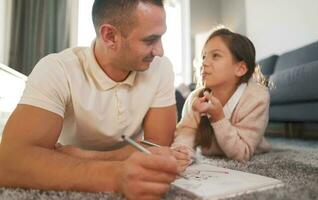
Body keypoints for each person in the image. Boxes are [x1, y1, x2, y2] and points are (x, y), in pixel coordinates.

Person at [0, 0, 189, 199]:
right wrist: (117, 175)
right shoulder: (57, 69)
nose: (160, 51)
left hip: (72, 159)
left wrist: (86, 156)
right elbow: (9, 162)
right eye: (150, 40)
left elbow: (158, 150)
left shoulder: (160, 67)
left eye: (161, 37)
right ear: (109, 36)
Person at [172, 28, 272, 170]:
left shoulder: (257, 97)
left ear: (240, 69)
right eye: (204, 56)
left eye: (215, 56)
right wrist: (182, 152)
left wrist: (218, 117)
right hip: (212, 151)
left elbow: (242, 153)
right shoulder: (195, 98)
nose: (204, 63)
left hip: (247, 148)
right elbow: (186, 131)